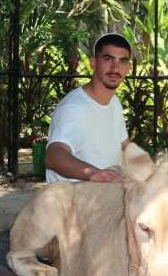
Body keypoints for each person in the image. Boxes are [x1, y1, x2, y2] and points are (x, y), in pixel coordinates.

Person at [44, 33, 132, 183]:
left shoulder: (114, 102)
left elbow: (125, 145)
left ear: (128, 68)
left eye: (122, 61)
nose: (115, 68)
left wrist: (151, 167)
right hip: (75, 194)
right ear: (93, 63)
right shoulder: (74, 108)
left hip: (108, 190)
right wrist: (92, 173)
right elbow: (53, 156)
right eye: (108, 59)